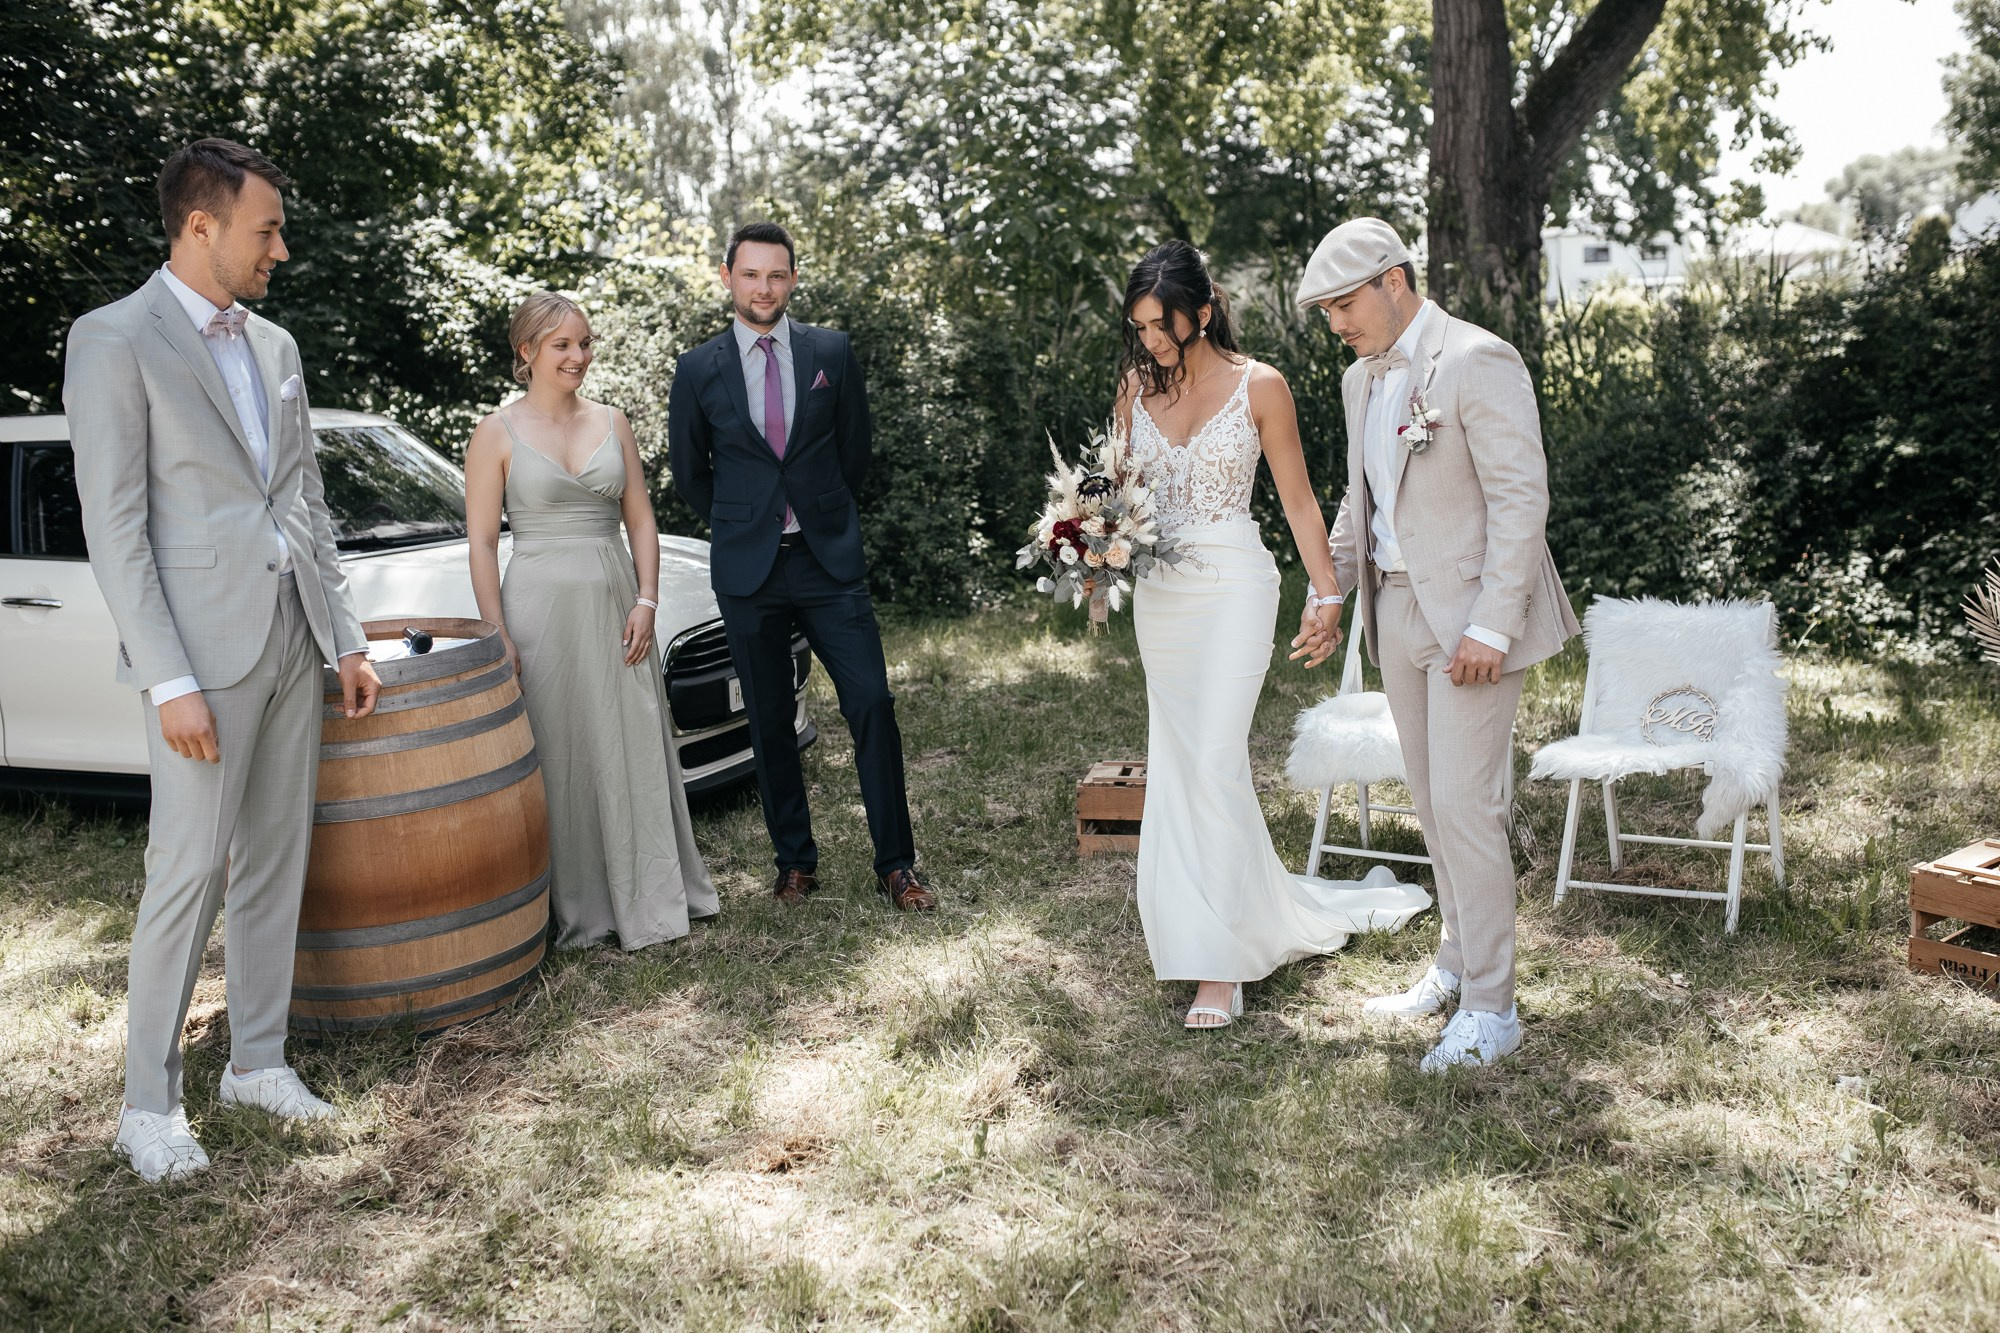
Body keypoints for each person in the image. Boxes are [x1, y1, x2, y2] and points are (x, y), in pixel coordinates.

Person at [64, 138, 383, 1182]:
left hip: (293, 637)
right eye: (266, 229)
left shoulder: (278, 347)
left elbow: (302, 501)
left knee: (274, 859)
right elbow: (116, 528)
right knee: (186, 871)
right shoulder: (113, 339)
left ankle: (255, 1060)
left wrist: (342, 636)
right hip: (199, 656)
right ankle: (145, 1104)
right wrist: (166, 677)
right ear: (200, 226)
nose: (280, 249)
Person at [1295, 218, 1581, 1071]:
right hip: (1399, 614)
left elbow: (1521, 500)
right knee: (1430, 802)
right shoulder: (1359, 381)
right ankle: (1455, 962)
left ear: (1394, 279)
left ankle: (1495, 1007)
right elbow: (1360, 506)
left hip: (1471, 623)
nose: (1336, 325)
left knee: (1466, 806)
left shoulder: (1476, 359)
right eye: (1326, 312)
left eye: (1344, 304)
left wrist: (1493, 625)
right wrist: (1329, 589)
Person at [1116, 239, 1421, 1031]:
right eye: (1140, 327)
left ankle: (1219, 969)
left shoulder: (1262, 385)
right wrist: (1089, 540)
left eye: (1163, 325)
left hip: (1234, 588)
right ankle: (1204, 923)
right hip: (1161, 598)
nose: (1151, 342)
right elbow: (1115, 496)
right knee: (1181, 761)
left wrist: (1327, 591)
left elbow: (1298, 501)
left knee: (1215, 755)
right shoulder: (1132, 389)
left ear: (1203, 311)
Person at [666, 222, 936, 912]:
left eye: (777, 275)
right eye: (751, 274)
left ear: (792, 280)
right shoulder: (697, 369)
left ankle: (896, 865)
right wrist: (745, 520)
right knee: (768, 720)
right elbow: (692, 474)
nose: (765, 287)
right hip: (749, 571)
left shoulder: (832, 353)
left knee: (871, 702)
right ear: (727, 278)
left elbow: (855, 454)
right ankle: (795, 862)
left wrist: (817, 515)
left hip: (827, 561)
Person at [464, 292, 718, 949]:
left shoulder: (613, 420)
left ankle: (648, 892)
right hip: (538, 609)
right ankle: (574, 904)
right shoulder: (495, 433)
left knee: (628, 740)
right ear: (527, 353)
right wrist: (496, 633)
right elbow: (483, 544)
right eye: (562, 346)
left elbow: (641, 518)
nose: (578, 356)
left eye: (583, 342)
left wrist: (648, 598)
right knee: (561, 751)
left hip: (614, 600)